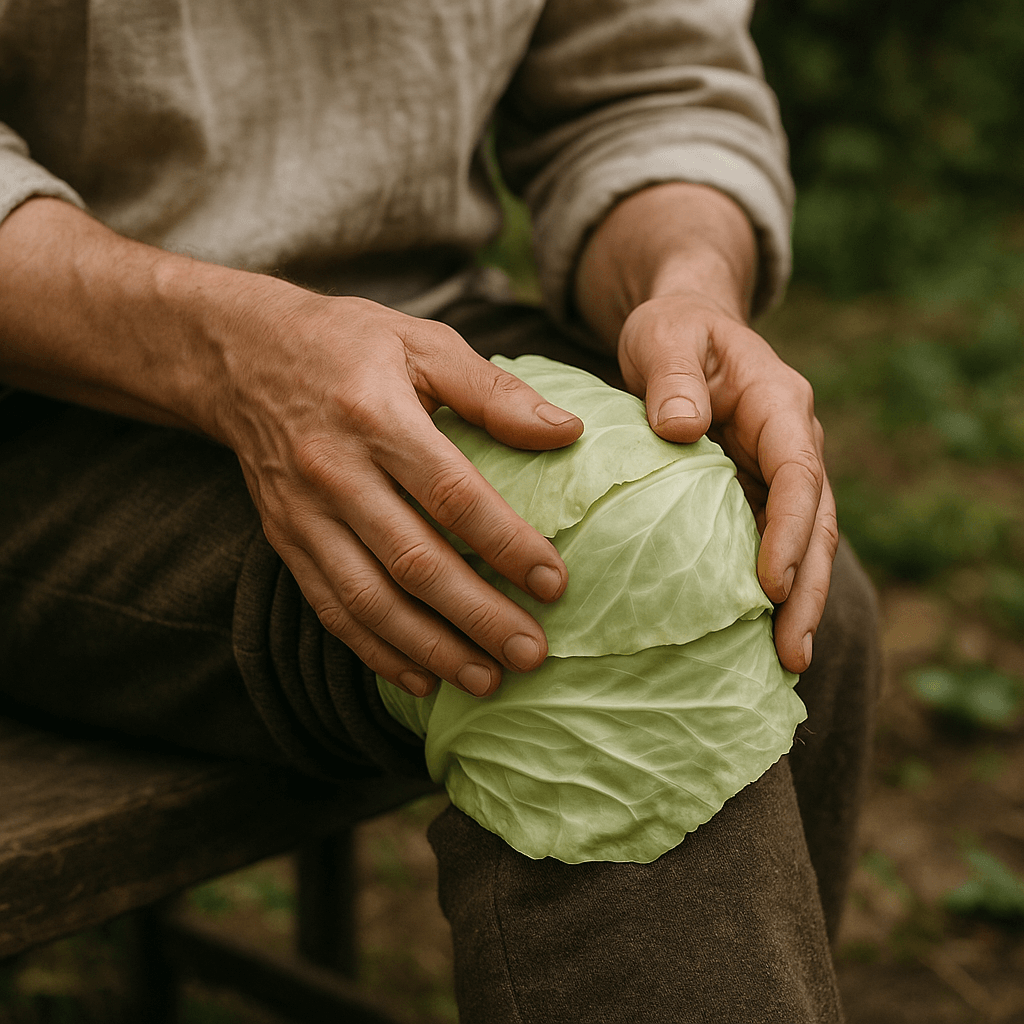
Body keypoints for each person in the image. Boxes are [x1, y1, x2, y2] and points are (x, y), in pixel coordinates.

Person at [0, 1, 879, 1019]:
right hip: (47, 391)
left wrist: (688, 286)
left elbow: (643, 86)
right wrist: (232, 349)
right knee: (580, 621)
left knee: (782, 574)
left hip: (424, 327)